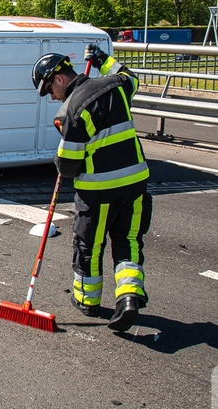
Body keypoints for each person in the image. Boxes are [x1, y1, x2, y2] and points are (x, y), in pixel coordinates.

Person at [31, 44, 151, 332]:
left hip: (98, 192)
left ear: (59, 78)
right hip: (135, 183)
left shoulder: (70, 110)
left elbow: (70, 165)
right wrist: (102, 60)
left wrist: (58, 159)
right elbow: (131, 77)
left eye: (49, 89)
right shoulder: (117, 85)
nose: (51, 96)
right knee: (128, 241)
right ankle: (129, 296)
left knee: (89, 246)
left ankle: (87, 300)